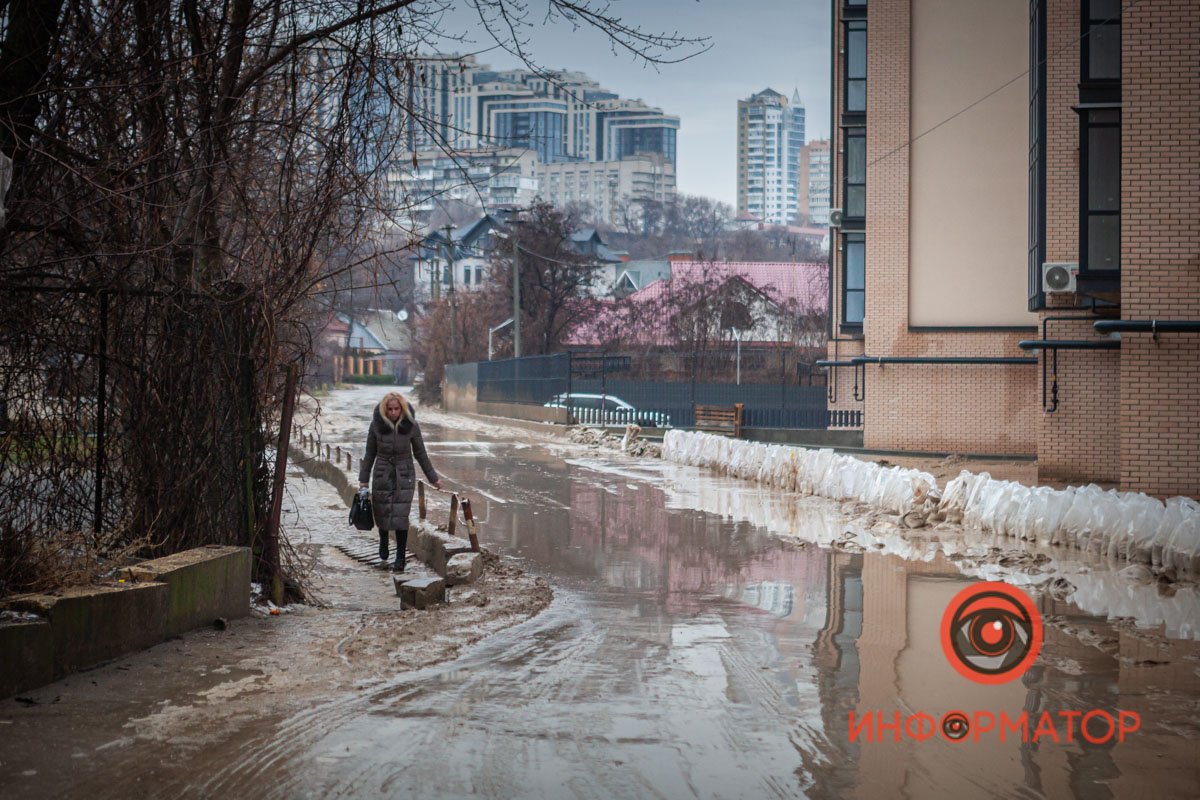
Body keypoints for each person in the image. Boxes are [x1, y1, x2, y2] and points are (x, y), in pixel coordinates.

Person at [358, 391, 441, 571]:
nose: (394, 412)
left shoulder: (411, 425)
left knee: (401, 517)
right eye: (390, 409)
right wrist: (363, 480)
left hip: (404, 474)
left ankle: (400, 558)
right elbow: (369, 453)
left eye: (396, 409)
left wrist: (433, 478)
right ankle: (383, 541)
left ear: (402, 409)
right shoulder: (376, 426)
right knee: (382, 511)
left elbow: (420, 453)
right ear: (385, 409)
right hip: (382, 473)